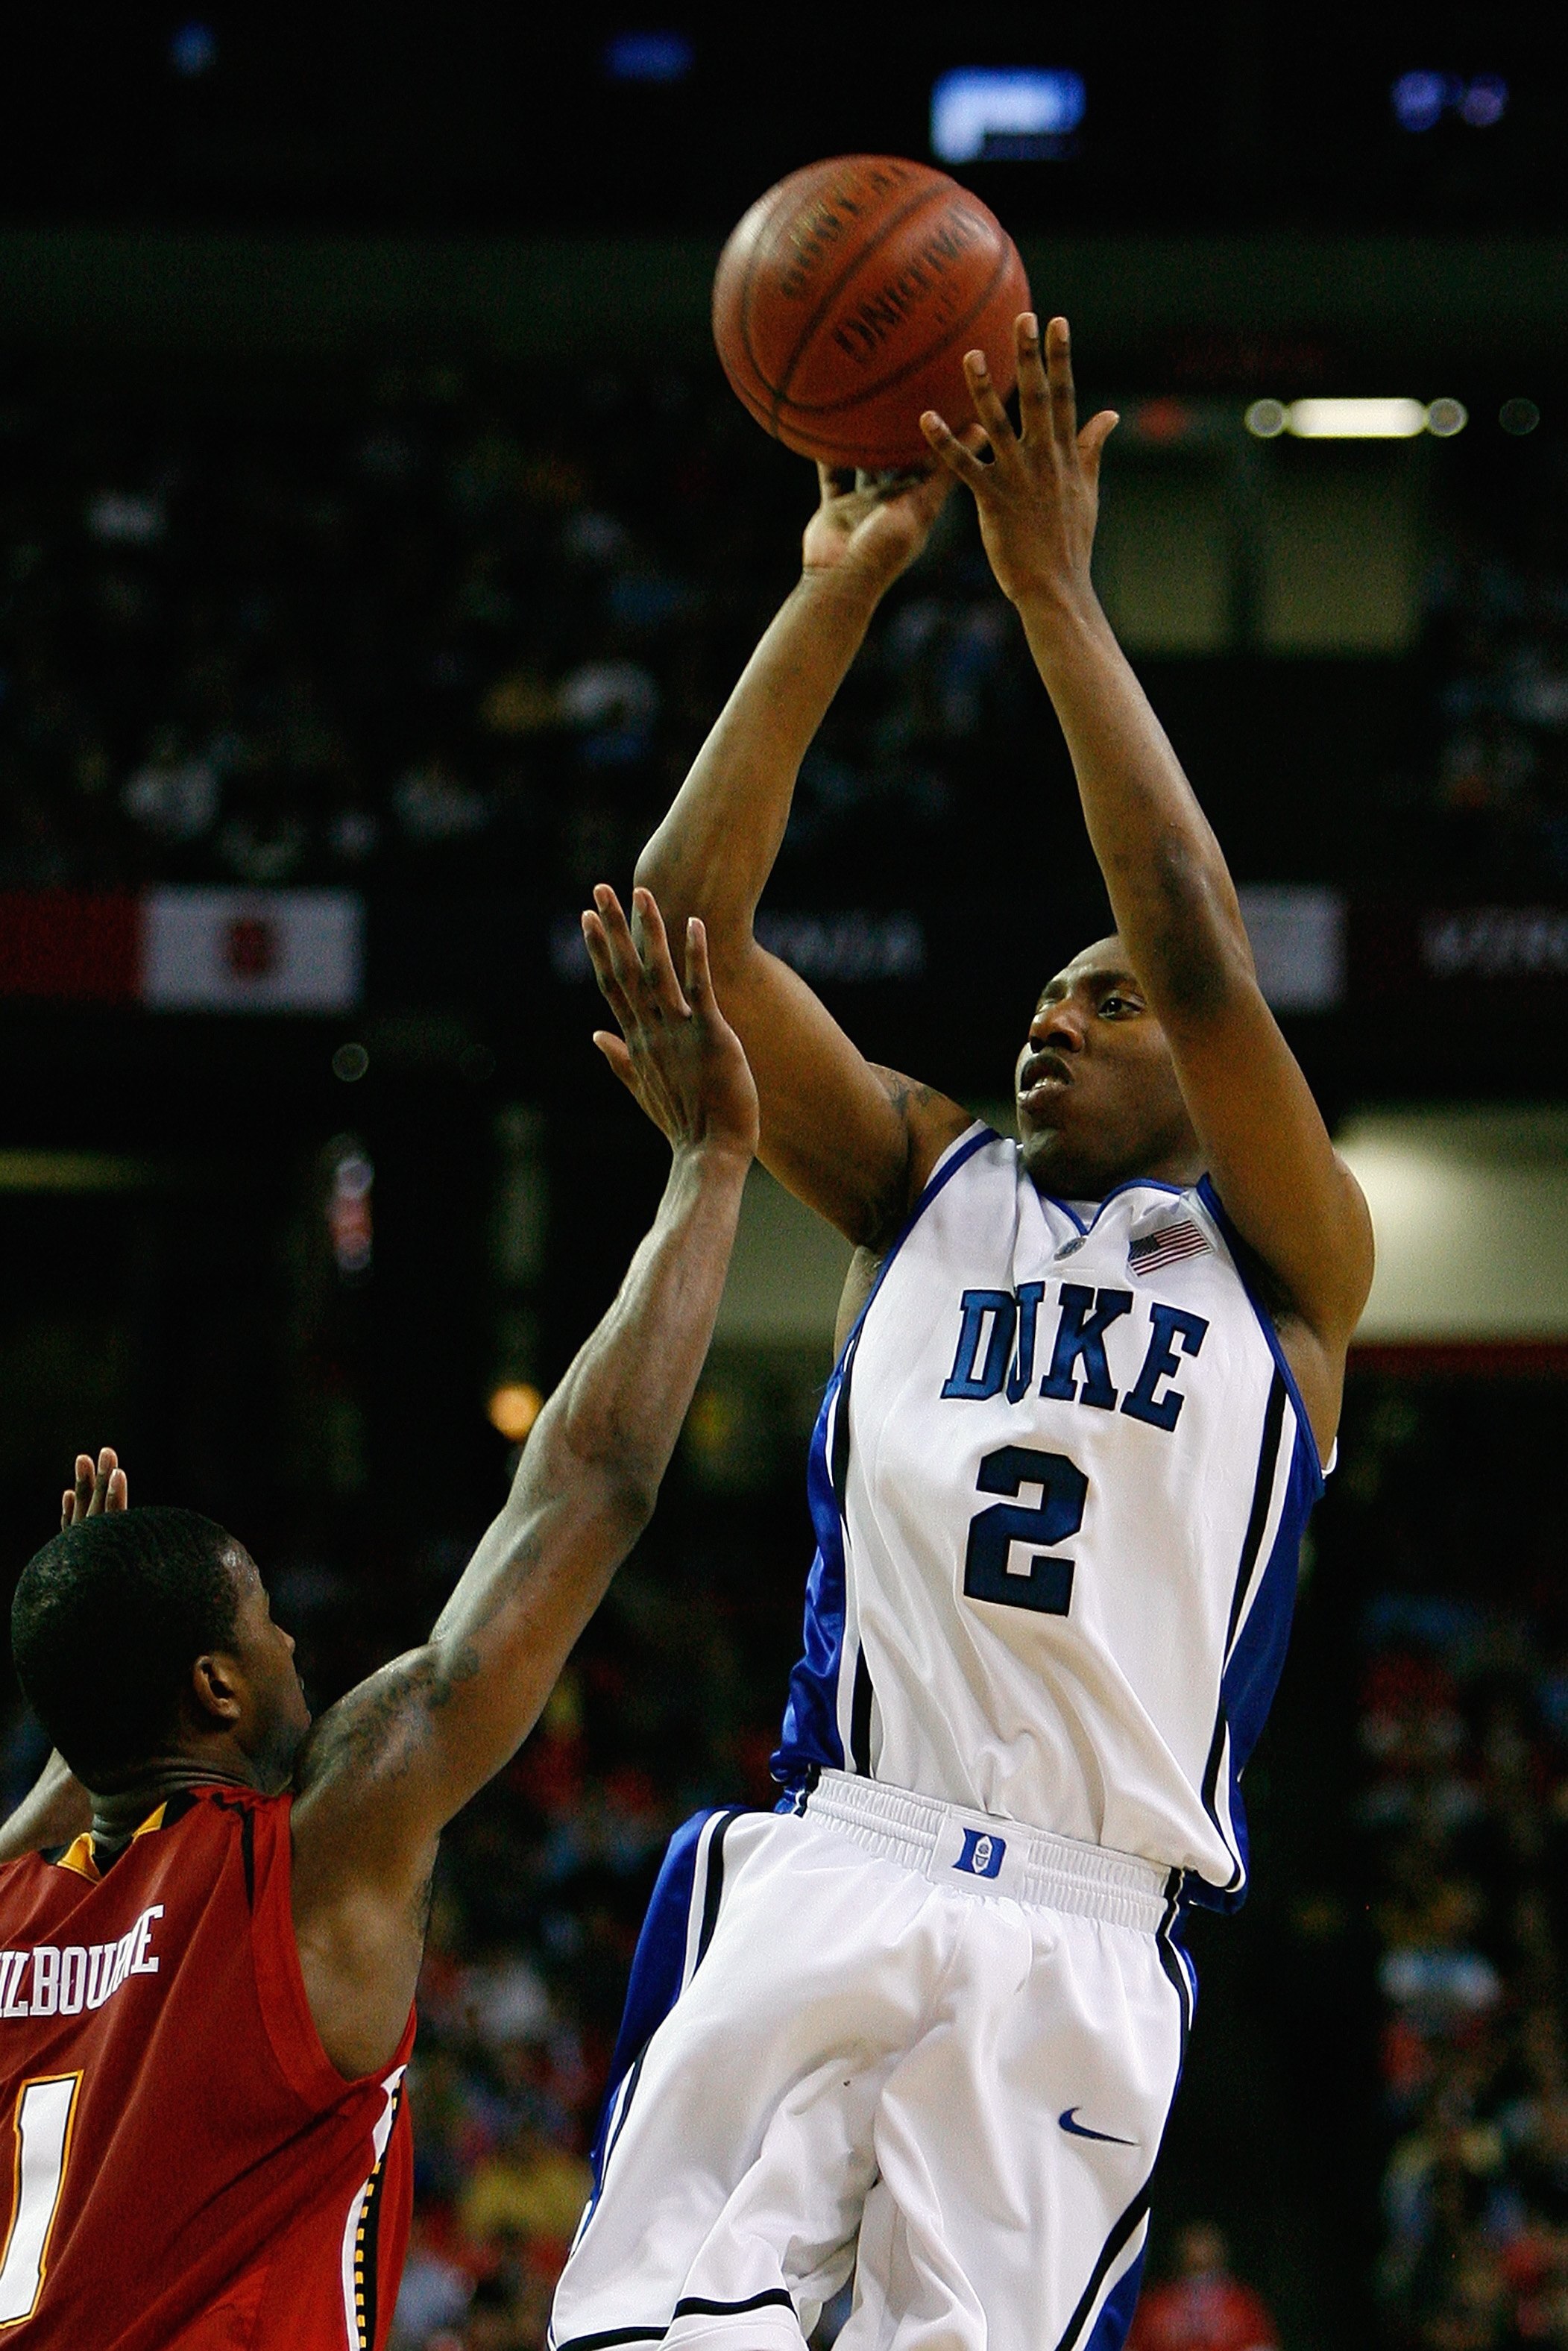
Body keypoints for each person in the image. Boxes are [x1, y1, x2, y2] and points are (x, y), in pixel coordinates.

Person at [550, 317, 1373, 2351]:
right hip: (843, 1846)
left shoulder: (1289, 1264)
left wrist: (1049, 593)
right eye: (1037, 996)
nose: (1048, 1017)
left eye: (1094, 1003)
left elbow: (1182, 921)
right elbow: (691, 933)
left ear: (1198, 1060)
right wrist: (829, 601)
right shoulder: (927, 1183)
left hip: (1085, 1930)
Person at [0, 892, 758, 2350]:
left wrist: (88, 1660)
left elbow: (69, 1797)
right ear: (216, 1684)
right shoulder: (305, 1857)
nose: (298, 1646)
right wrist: (709, 1167)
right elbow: (585, 1488)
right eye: (268, 1621)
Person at [1126, 2222, 1279, 2351]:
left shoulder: (1243, 2304)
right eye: (1193, 2245)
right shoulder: (1155, 2305)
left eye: (1205, 2245)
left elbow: (1260, 2347)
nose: (1199, 2253)